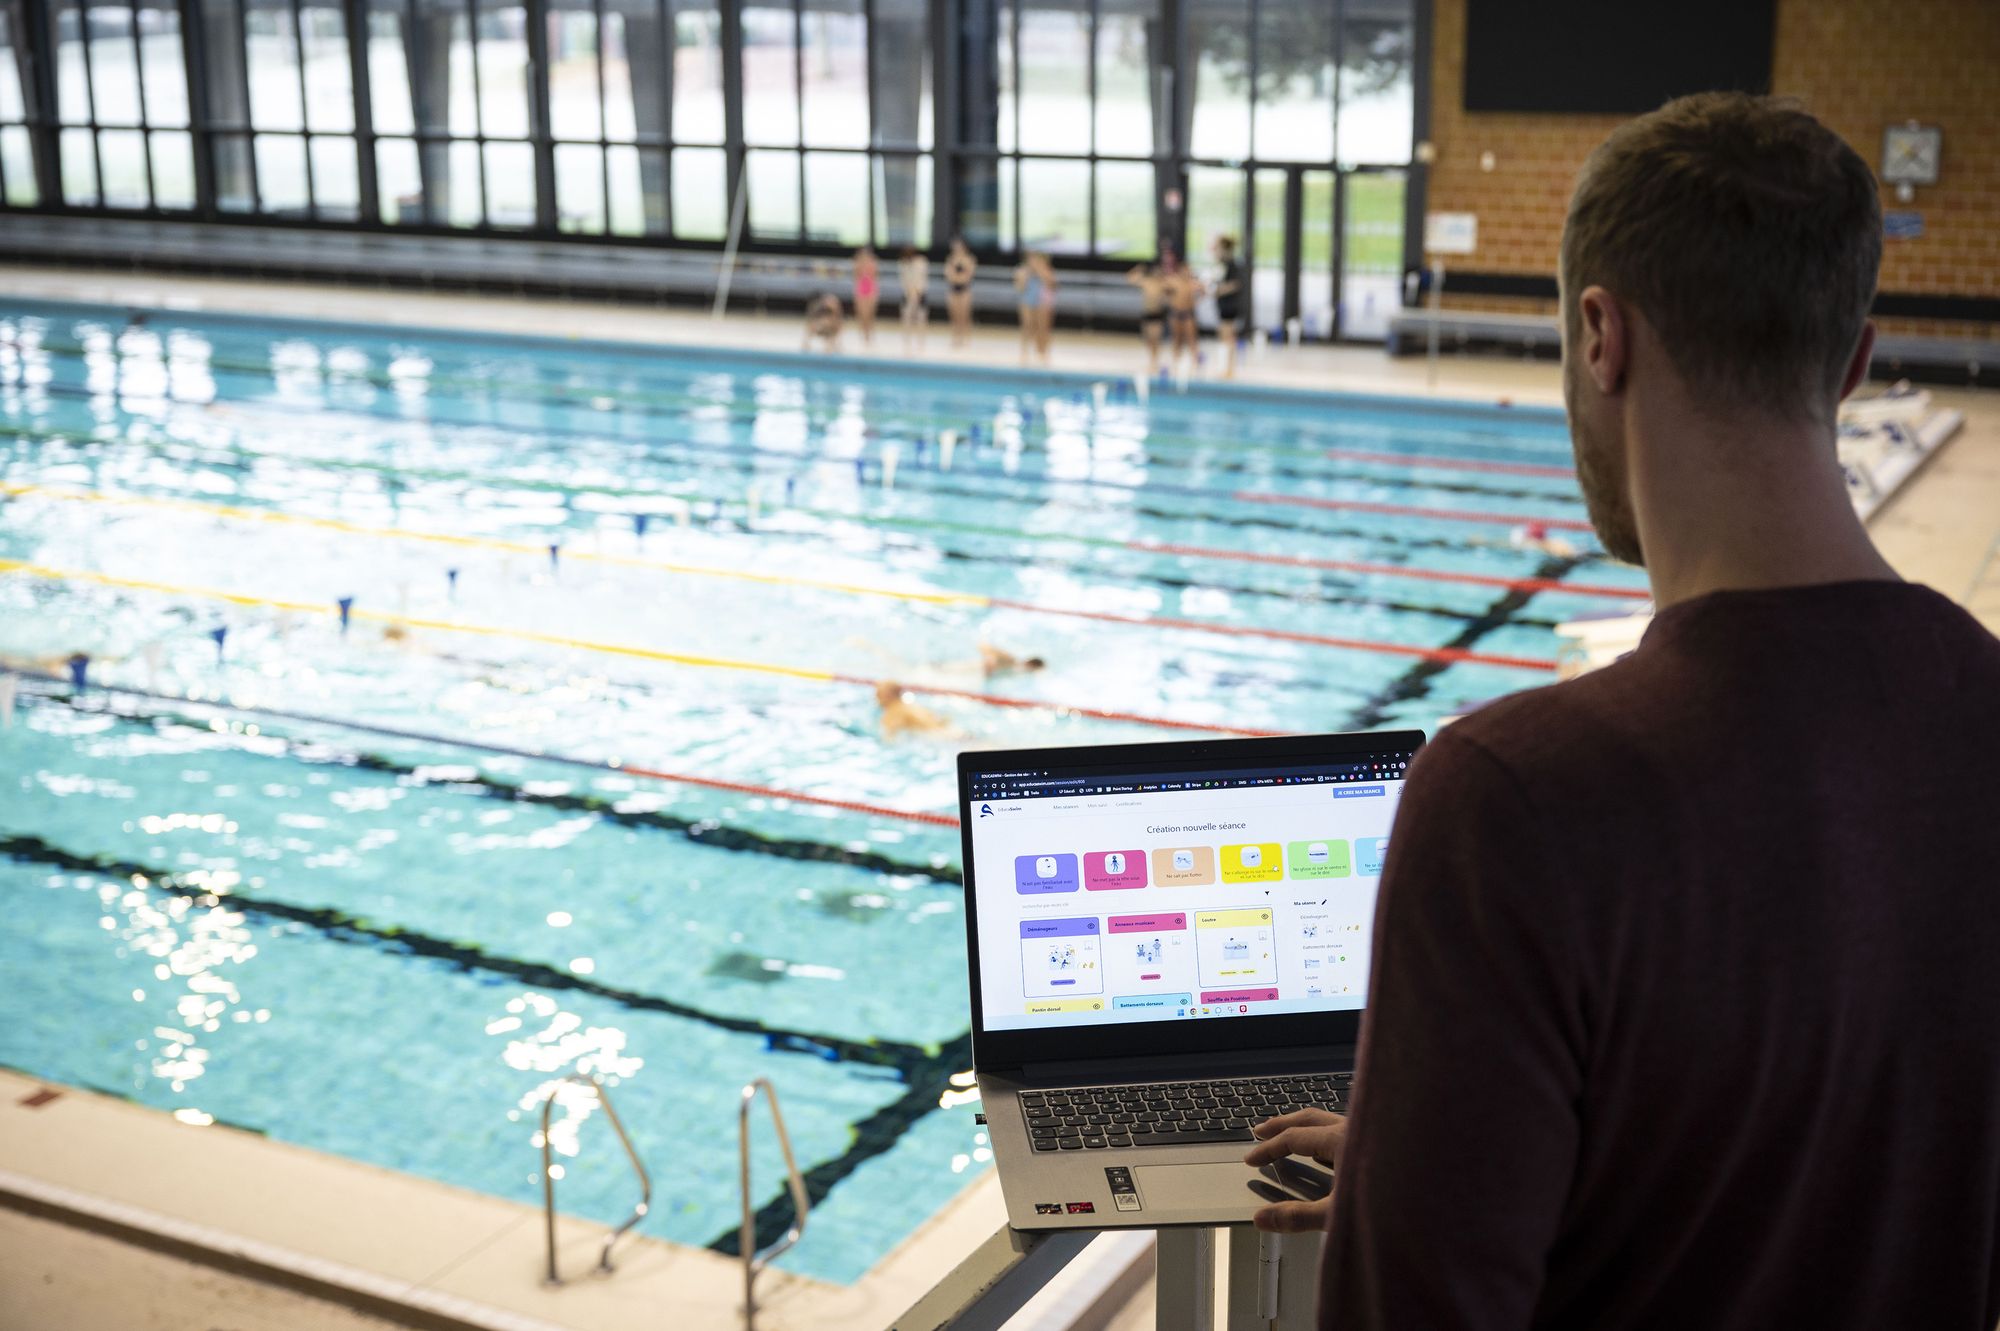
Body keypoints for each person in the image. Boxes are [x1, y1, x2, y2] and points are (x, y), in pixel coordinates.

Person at [1246, 92, 2000, 1329]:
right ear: (1854, 363)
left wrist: (1420, 1216)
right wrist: (1433, 1165)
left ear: (1600, 337)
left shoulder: (1516, 799)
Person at [1125, 256, 1169, 378]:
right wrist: (1137, 269)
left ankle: (1155, 361)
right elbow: (1129, 279)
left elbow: (1173, 291)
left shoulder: (1162, 283)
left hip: (1157, 314)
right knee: (1148, 339)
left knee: (1156, 339)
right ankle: (1152, 360)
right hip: (1147, 314)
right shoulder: (1146, 281)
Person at [1210, 235, 1245, 379]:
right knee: (1224, 336)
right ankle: (1225, 368)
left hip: (1230, 305)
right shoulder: (1222, 264)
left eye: (1217, 248)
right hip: (1223, 305)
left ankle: (1228, 369)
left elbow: (1235, 284)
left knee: (1228, 337)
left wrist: (1218, 290)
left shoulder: (1232, 264)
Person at [1014, 251, 1058, 366]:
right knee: (1027, 325)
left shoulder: (1044, 270)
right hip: (1027, 300)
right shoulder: (1022, 271)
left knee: (1042, 327)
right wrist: (1027, 275)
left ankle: (1042, 351)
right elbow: (1019, 288)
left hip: (1040, 301)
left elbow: (1053, 285)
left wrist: (1039, 271)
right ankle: (1024, 351)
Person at [1163, 257, 1204, 378]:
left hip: (1188, 313)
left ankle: (1195, 363)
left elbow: (1203, 291)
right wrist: (1169, 300)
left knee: (1192, 339)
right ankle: (1176, 362)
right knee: (1177, 339)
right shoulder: (1173, 281)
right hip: (1176, 313)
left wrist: (1196, 302)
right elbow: (1164, 290)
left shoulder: (1193, 283)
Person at [876, 679, 956, 739]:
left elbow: (889, 738)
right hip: (949, 732)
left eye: (878, 694)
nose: (876, 698)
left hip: (936, 738)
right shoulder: (912, 706)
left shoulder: (893, 712)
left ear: (887, 696)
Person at [944, 237, 978, 348]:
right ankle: (955, 337)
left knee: (964, 315)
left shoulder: (969, 259)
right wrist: (957, 276)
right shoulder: (950, 259)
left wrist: (957, 276)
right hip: (953, 290)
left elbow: (967, 277)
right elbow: (949, 276)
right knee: (954, 315)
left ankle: (966, 338)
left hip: (964, 290)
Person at [898, 245, 931, 355]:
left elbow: (923, 278)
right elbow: (903, 279)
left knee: (921, 318)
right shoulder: (903, 263)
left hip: (920, 293)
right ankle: (906, 341)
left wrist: (918, 291)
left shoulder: (922, 262)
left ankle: (921, 342)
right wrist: (909, 291)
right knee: (906, 318)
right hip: (907, 294)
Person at [851, 246, 880, 345]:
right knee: (862, 315)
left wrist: (875, 293)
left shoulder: (873, 263)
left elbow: (875, 278)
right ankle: (863, 334)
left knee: (870, 315)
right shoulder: (857, 264)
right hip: (861, 291)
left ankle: (869, 334)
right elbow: (856, 278)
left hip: (871, 290)